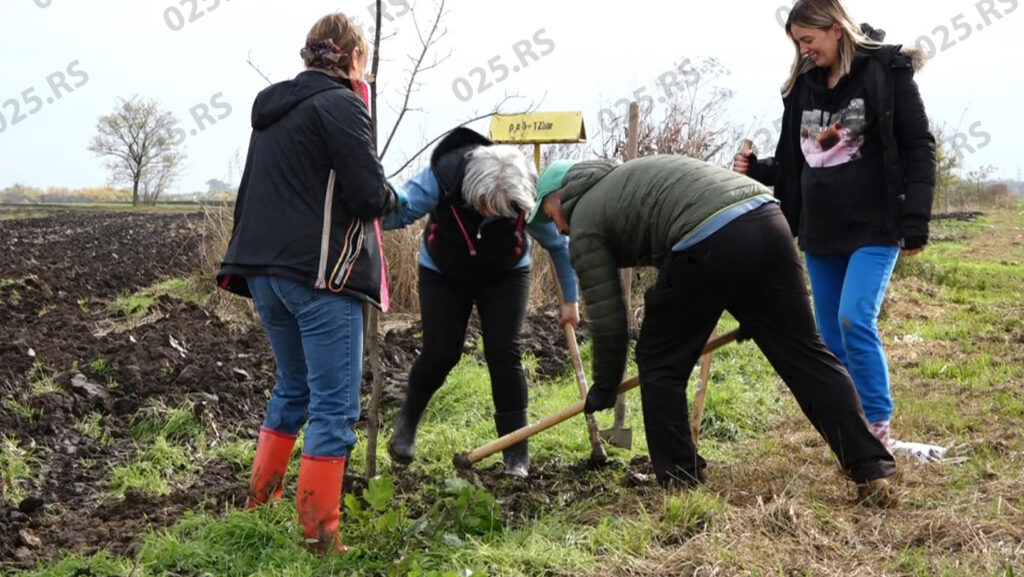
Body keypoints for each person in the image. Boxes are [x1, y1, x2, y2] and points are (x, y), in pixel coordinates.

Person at [531, 155, 898, 505]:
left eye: (552, 217)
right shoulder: (626, 180)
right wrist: (755, 312)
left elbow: (610, 319)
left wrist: (605, 386)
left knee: (659, 361)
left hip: (708, 236)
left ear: (560, 198)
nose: (560, 230)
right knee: (804, 353)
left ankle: (680, 480)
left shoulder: (586, 218)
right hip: (766, 217)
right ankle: (871, 467)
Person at [216, 12, 399, 553]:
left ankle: (260, 504)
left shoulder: (273, 109)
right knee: (334, 409)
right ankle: (320, 537)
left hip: (264, 277)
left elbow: (253, 193)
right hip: (319, 281)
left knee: (292, 389)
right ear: (353, 57)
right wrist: (396, 202)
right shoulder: (342, 104)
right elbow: (368, 194)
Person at [733, 0, 936, 449]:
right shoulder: (804, 86)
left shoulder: (886, 73)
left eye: (809, 40)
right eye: (797, 43)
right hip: (820, 231)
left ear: (836, 31)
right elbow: (796, 160)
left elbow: (919, 146)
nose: (804, 51)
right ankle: (853, 428)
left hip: (875, 225)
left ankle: (879, 431)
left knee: (853, 320)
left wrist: (915, 218)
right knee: (829, 339)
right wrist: (756, 169)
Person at [384, 127, 579, 478]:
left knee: (504, 352)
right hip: (443, 269)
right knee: (441, 350)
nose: (495, 216)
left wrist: (571, 301)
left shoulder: (524, 193)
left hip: (506, 273)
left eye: (505, 213)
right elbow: (401, 207)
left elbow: (557, 246)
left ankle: (515, 452)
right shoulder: (447, 173)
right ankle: (406, 425)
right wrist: (372, 206)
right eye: (488, 208)